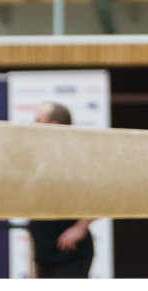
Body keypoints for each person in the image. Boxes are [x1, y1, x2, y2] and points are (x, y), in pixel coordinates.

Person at [27, 103, 95, 278]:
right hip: (44, 250)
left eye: (37, 120)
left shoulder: (76, 154)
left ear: (54, 125)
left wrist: (80, 227)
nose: (32, 124)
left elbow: (102, 194)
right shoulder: (35, 154)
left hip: (70, 250)